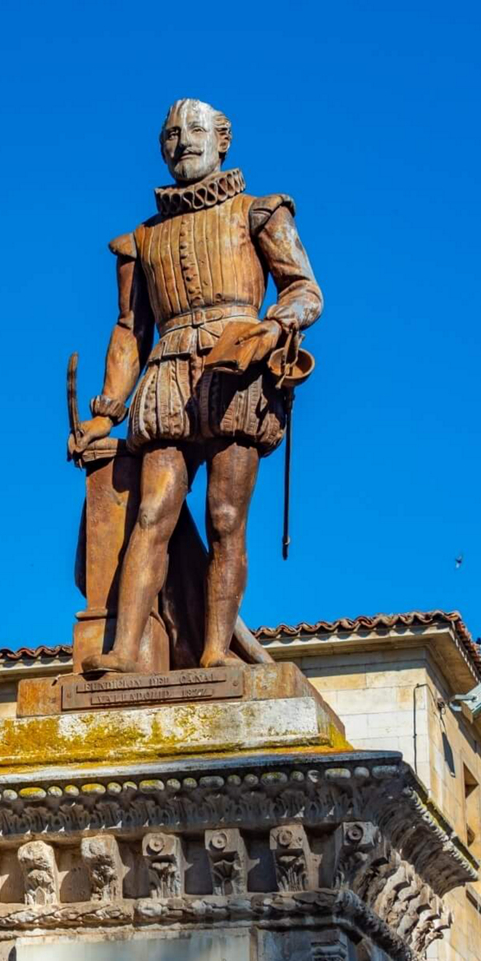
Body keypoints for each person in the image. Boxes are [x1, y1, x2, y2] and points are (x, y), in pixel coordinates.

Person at [71, 98, 323, 672]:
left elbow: (305, 290)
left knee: (224, 518)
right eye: (169, 134)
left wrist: (274, 327)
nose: (181, 141)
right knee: (153, 511)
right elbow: (131, 330)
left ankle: (214, 651)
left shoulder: (261, 212)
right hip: (166, 376)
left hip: (239, 372)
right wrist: (106, 413)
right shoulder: (140, 240)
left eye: (194, 130)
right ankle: (125, 651)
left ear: (222, 139)